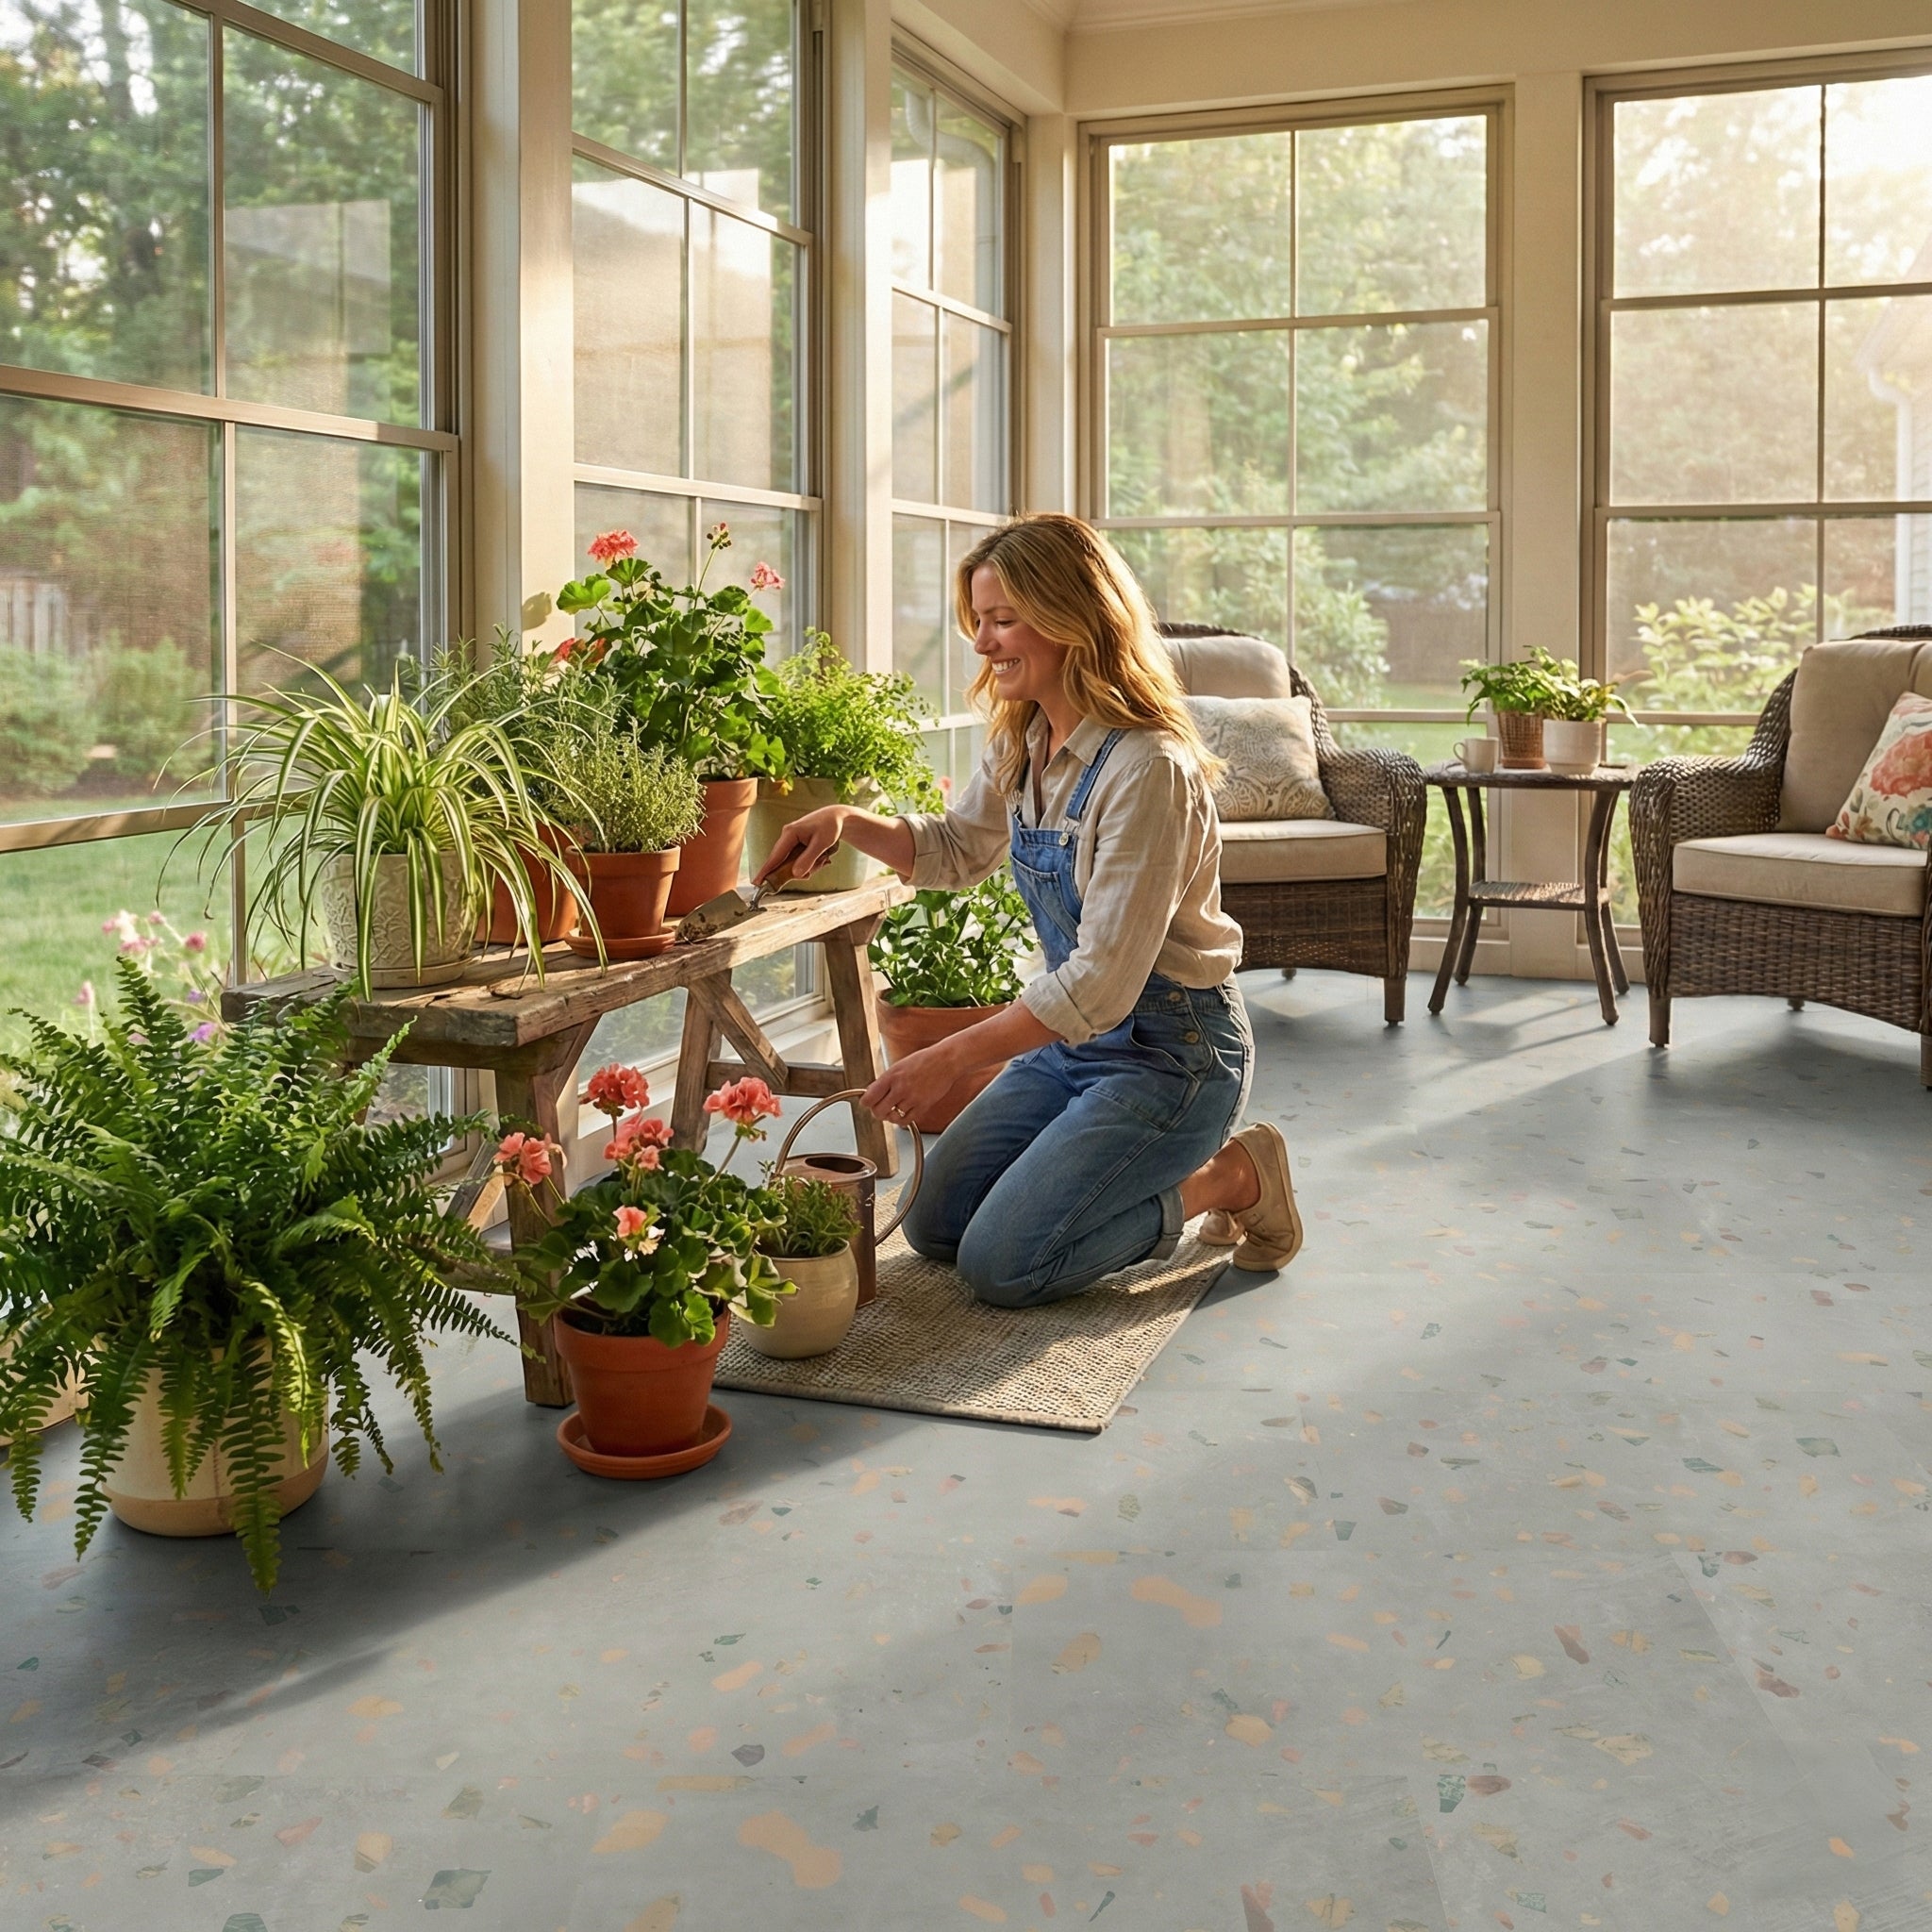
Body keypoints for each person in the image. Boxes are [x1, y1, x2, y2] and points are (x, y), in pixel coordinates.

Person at [753, 513, 1301, 1308]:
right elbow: (954, 850)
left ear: (1075, 621)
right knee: (934, 1226)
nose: (982, 643)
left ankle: (1229, 1177)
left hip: (1173, 1056)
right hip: (1074, 1051)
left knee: (1003, 1266)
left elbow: (1099, 988)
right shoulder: (1024, 741)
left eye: (1003, 620)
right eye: (979, 621)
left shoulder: (1149, 770)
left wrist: (949, 1059)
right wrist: (846, 820)